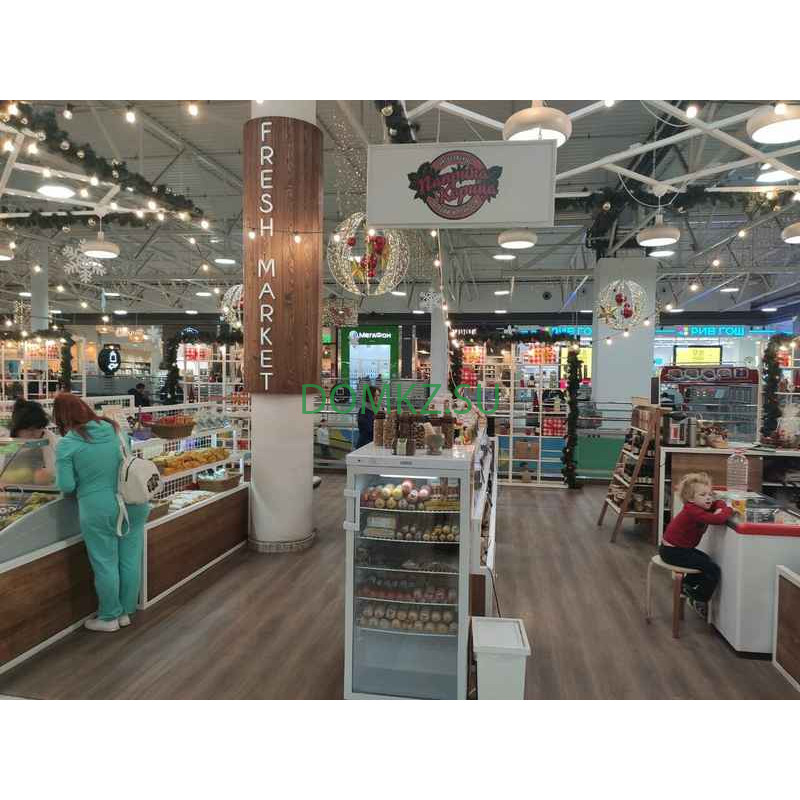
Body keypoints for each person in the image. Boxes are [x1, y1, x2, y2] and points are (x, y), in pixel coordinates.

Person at [53, 392, 150, 633]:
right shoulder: (116, 430)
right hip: (133, 502)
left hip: (99, 508)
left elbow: (66, 485)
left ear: (61, 419)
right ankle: (125, 612)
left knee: (105, 563)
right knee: (130, 559)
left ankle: (109, 617)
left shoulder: (67, 444)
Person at [660, 472, 733, 618]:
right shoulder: (693, 511)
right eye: (703, 495)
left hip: (676, 550)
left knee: (705, 562)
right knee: (712, 569)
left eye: (710, 494)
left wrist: (719, 505)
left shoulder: (698, 507)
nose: (708, 498)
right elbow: (717, 519)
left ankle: (685, 586)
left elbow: (717, 503)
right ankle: (699, 598)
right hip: (673, 552)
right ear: (691, 499)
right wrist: (729, 510)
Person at [8, 398, 60, 482]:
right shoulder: (8, 441)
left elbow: (53, 470)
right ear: (17, 429)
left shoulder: (49, 439)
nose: (34, 433)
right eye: (30, 430)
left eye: (38, 428)